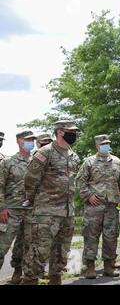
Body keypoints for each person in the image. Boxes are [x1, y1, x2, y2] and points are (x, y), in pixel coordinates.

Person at [22, 120, 81, 285]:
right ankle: (29, 281)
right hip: (46, 212)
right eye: (71, 131)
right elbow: (30, 179)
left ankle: (56, 280)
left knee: (61, 252)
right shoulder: (45, 152)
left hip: (68, 212)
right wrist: (35, 199)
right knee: (39, 251)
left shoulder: (73, 155)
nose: (74, 135)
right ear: (60, 132)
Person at [75, 134, 120, 279]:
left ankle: (108, 267)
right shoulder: (89, 162)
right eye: (102, 144)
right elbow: (80, 181)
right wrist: (88, 195)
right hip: (94, 206)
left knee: (111, 237)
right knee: (91, 236)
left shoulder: (117, 161)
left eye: (107, 143)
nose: (105, 145)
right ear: (97, 146)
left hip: (112, 206)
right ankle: (89, 267)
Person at [0, 131, 36, 284]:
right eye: (27, 139)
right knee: (2, 247)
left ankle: (20, 274)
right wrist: (2, 207)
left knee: (28, 246)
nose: (31, 142)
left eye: (32, 139)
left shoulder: (38, 162)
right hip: (11, 211)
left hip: (31, 211)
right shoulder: (8, 162)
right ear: (18, 141)